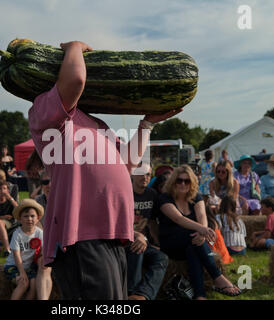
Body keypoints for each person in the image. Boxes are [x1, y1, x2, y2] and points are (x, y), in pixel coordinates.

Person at [28, 40, 182, 299]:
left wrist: (147, 124)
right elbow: (76, 79)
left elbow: (128, 161)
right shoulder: (44, 110)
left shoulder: (95, 123)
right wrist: (74, 47)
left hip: (110, 232)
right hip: (82, 235)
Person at [158, 165, 241, 299]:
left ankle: (200, 295)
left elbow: (202, 216)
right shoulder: (164, 198)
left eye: (187, 181)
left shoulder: (196, 197)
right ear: (173, 182)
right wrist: (202, 229)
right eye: (179, 180)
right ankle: (217, 277)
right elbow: (178, 219)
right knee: (192, 238)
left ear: (192, 182)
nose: (183, 184)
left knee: (193, 248)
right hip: (171, 244)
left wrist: (202, 233)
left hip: (192, 241)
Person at [126, 164, 168, 300]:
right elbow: (116, 224)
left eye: (148, 174)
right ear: (132, 174)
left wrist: (157, 242)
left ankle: (143, 295)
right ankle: (131, 293)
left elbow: (151, 221)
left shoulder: (152, 194)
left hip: (143, 241)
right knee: (137, 248)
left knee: (161, 257)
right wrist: (138, 235)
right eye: (141, 173)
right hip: (123, 241)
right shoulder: (124, 193)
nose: (145, 177)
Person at [4, 199, 52, 300]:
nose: (29, 219)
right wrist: (22, 272)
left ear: (38, 218)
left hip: (29, 267)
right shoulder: (17, 234)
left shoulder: (39, 233)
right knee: (23, 283)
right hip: (14, 266)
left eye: (32, 216)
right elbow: (16, 255)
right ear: (20, 219)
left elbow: (43, 251)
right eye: (25, 216)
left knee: (34, 284)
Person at [0, 181, 19, 256]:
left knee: (0, 223)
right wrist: (2, 217)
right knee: (0, 222)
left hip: (9, 223)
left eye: (4, 188)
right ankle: (7, 248)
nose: (2, 191)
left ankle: (6, 249)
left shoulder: (10, 202)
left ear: (8, 190)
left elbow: (19, 209)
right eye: (0, 189)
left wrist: (10, 198)